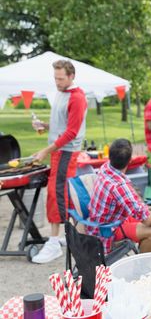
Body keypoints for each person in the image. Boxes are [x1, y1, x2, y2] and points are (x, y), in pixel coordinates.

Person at [31, 59, 88, 264]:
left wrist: (46, 150)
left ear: (71, 76)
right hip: (59, 152)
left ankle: (54, 243)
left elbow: (72, 132)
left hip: (66, 153)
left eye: (61, 78)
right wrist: (45, 125)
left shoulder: (78, 98)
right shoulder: (61, 93)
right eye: (55, 78)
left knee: (56, 195)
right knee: (65, 195)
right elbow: (62, 124)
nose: (57, 82)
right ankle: (69, 235)